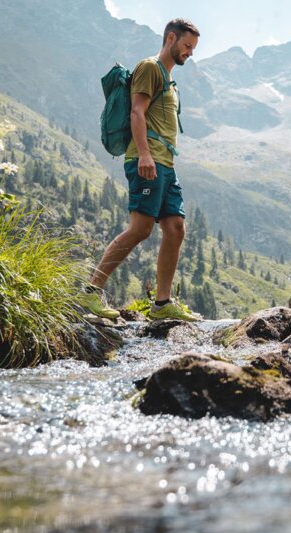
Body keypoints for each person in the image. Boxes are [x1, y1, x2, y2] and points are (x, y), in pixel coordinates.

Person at [80, 18, 201, 322]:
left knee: (175, 227)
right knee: (140, 229)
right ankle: (90, 294)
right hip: (146, 160)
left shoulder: (169, 79)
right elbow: (137, 111)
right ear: (170, 38)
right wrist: (145, 154)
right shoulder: (149, 67)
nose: (189, 53)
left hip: (165, 164)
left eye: (192, 48)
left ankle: (161, 304)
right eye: (186, 46)